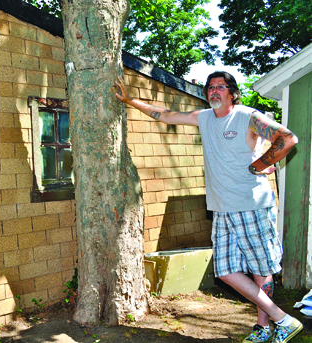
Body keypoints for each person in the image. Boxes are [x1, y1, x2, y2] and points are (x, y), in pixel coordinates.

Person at [115, 71, 301, 343]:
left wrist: (257, 165)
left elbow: (287, 138)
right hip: (222, 208)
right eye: (210, 87)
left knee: (261, 269)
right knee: (225, 270)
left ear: (232, 92)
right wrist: (131, 101)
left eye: (221, 87)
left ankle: (264, 329)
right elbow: (165, 114)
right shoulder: (203, 118)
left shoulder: (248, 117)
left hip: (251, 204)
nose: (214, 91)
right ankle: (282, 318)